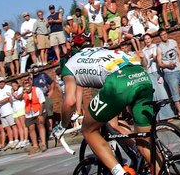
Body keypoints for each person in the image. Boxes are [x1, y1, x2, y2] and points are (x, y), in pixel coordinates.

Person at [55, 37, 153, 175]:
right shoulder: (96, 51)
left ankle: (120, 172)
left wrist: (62, 126)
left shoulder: (68, 67)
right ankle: (162, 165)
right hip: (140, 74)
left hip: (118, 82)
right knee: (145, 145)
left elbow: (69, 101)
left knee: (89, 129)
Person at [141, 33, 175, 121]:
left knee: (163, 93)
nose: (147, 40)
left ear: (151, 39)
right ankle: (160, 117)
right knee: (155, 95)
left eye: (148, 38)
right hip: (149, 72)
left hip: (158, 71)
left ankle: (169, 114)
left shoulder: (156, 47)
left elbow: (160, 60)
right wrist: (143, 58)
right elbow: (144, 65)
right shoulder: (143, 50)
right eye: (145, 39)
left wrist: (155, 57)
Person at [0, 77, 18, 149]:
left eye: (2, 81)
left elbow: (7, 99)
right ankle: (11, 141)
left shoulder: (8, 88)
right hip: (2, 113)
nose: (1, 83)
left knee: (13, 126)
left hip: (9, 111)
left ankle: (16, 140)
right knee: (7, 128)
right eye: (0, 82)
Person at [22, 76, 47, 155]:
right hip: (29, 113)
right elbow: (18, 98)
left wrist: (40, 114)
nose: (27, 87)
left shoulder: (37, 90)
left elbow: (42, 102)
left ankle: (43, 144)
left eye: (28, 85)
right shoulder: (23, 93)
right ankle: (35, 146)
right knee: (31, 128)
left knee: (40, 125)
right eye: (25, 86)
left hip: (38, 110)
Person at [11, 80, 29, 149]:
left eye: (15, 85)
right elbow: (11, 101)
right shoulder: (13, 92)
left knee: (23, 125)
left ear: (17, 85)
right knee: (19, 127)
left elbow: (19, 97)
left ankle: (26, 139)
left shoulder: (21, 89)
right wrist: (11, 94)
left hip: (21, 109)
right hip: (14, 110)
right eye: (12, 86)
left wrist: (13, 94)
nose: (14, 87)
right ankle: (21, 139)